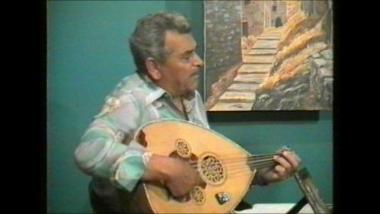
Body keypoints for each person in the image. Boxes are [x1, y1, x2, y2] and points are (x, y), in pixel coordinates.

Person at [74, 11, 300, 214]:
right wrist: (163, 167)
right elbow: (89, 151)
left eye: (196, 53)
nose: (199, 62)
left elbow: (201, 170)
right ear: (154, 67)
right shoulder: (132, 98)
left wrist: (258, 176)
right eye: (186, 56)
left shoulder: (192, 98)